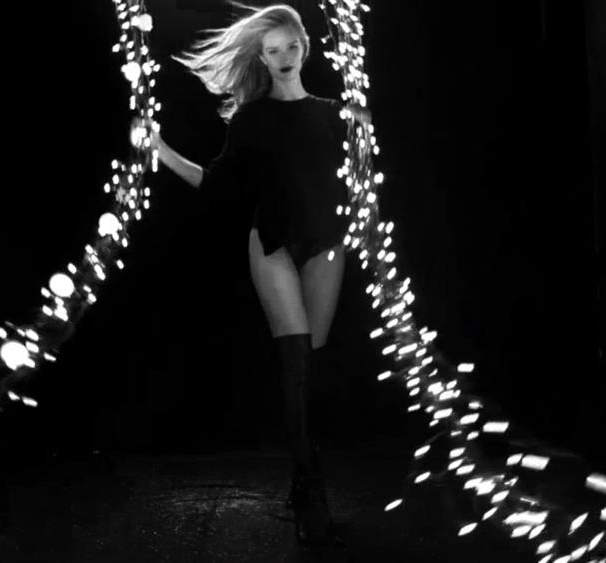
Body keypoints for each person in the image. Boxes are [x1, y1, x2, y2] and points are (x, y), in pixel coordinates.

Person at [140, 3, 370, 547]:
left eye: (291, 46)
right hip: (272, 245)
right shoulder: (251, 119)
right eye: (272, 50)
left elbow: (360, 186)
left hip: (325, 245)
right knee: (296, 365)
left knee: (313, 370)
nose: (283, 57)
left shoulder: (337, 113)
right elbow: (216, 185)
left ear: (304, 48)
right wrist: (159, 149)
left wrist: (364, 134)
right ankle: (311, 496)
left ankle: (300, 479)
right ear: (262, 59)